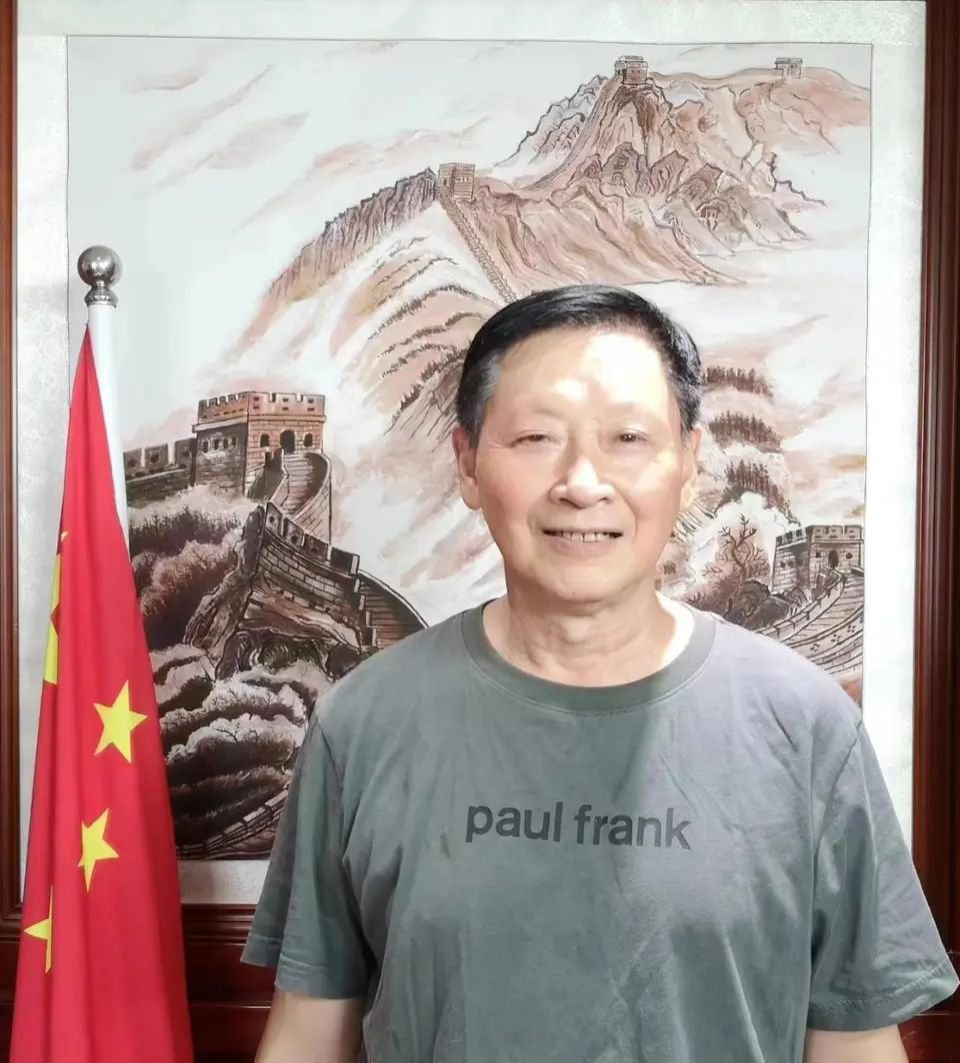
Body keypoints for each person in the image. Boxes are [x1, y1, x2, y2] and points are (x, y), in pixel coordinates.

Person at [242, 284, 957, 1062]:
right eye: (535, 437)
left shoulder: (807, 727)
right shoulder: (364, 722)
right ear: (468, 463)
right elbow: (307, 1038)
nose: (582, 482)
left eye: (627, 437)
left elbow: (857, 1045)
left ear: (689, 464)